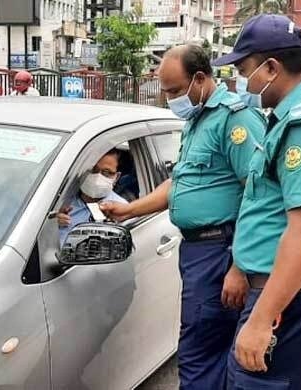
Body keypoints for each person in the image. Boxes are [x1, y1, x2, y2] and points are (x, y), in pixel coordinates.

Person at [101, 44, 265, 390]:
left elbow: (259, 195)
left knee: (198, 352)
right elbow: (180, 182)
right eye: (165, 91)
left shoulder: (235, 118)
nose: (170, 99)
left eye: (175, 90)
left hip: (221, 249)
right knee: (205, 349)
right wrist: (130, 209)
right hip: (198, 252)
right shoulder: (197, 119)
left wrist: (239, 265)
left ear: (201, 78)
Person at [211, 14, 301, 389]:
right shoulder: (293, 115)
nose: (242, 82)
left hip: (293, 298)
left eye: (245, 70)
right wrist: (243, 267)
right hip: (291, 291)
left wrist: (261, 319)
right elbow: (271, 210)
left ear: (272, 67)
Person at [57, 149, 127, 245]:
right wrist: (52, 225)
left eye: (106, 172)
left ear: (116, 177)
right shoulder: (60, 202)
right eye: (92, 169)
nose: (97, 177)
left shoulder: (122, 210)